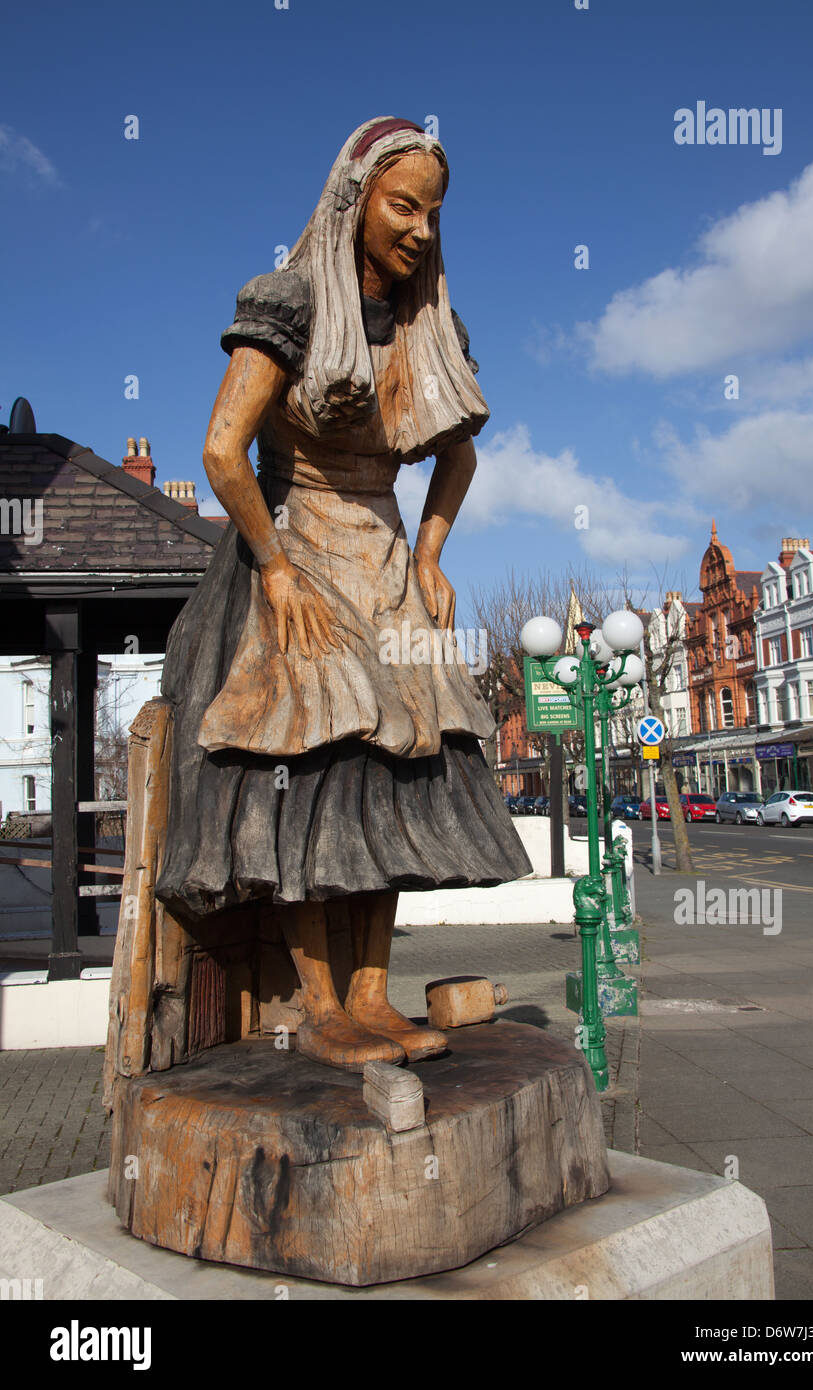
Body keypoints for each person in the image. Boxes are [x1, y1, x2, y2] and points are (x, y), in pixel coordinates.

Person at [154, 117, 532, 1071]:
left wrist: (434, 554)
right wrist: (274, 570)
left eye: (433, 214)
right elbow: (220, 450)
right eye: (404, 206)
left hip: (388, 554)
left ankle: (373, 996)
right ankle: (320, 1005)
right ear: (354, 199)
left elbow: (460, 456)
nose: (420, 230)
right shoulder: (287, 300)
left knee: (401, 763)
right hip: (300, 540)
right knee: (313, 764)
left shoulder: (428, 323)